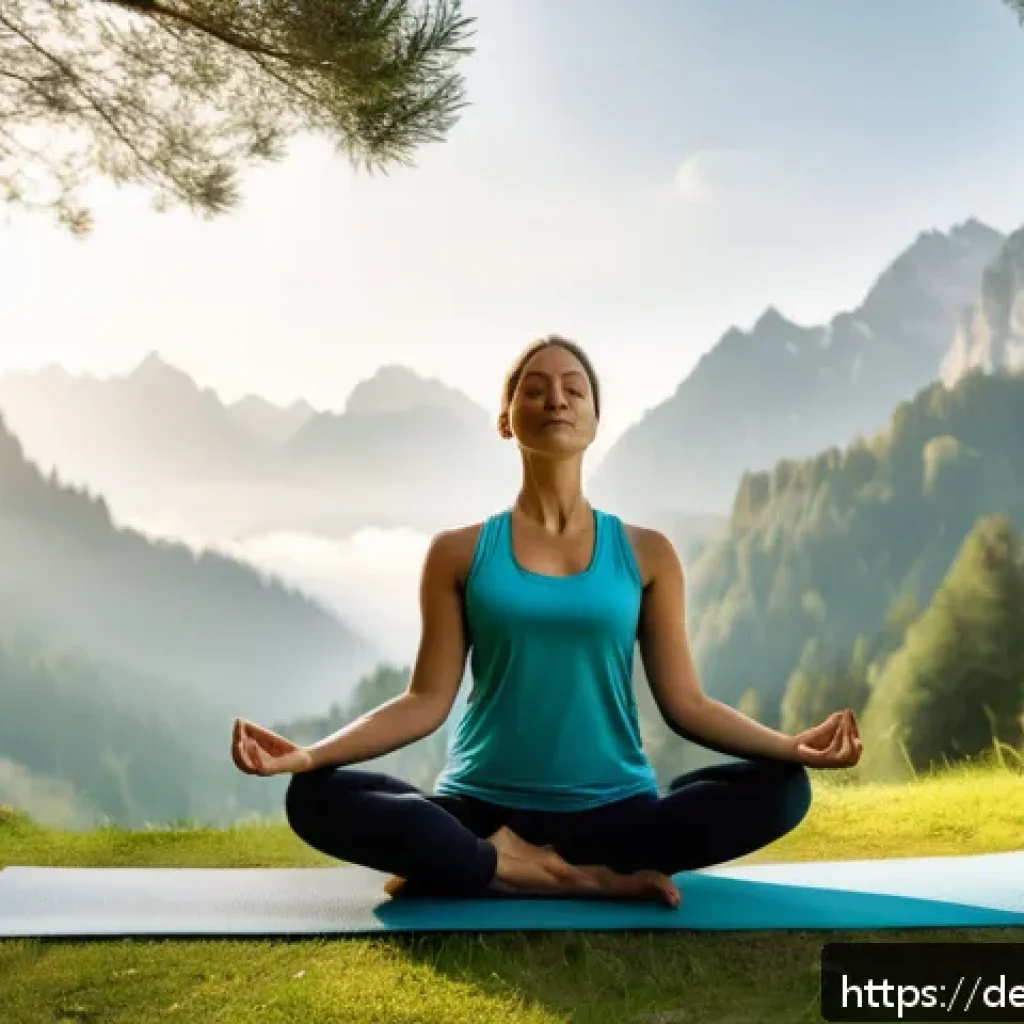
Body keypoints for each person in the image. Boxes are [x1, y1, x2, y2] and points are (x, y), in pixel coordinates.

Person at [231, 336, 862, 907]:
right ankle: (554, 874)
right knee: (313, 797)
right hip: (482, 811)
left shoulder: (648, 554)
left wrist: (791, 747)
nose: (555, 399)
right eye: (534, 389)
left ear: (594, 420)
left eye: (573, 389)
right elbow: (424, 702)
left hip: (614, 814)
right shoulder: (458, 552)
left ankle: (475, 869)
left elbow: (687, 704)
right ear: (507, 420)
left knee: (786, 789)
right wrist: (311, 755)